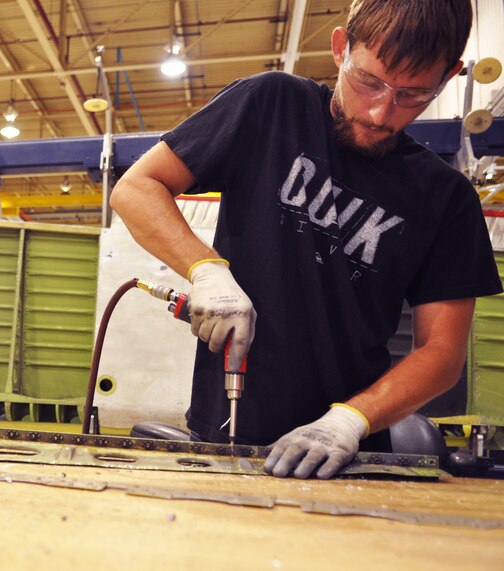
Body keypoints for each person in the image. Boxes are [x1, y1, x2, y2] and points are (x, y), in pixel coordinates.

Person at [110, 0, 502, 479]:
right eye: (369, 82)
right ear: (341, 48)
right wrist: (206, 269)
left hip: (348, 457)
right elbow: (135, 189)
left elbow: (441, 354)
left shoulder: (446, 197)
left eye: (414, 96)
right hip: (226, 430)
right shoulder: (271, 105)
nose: (381, 112)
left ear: (450, 76)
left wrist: (350, 420)